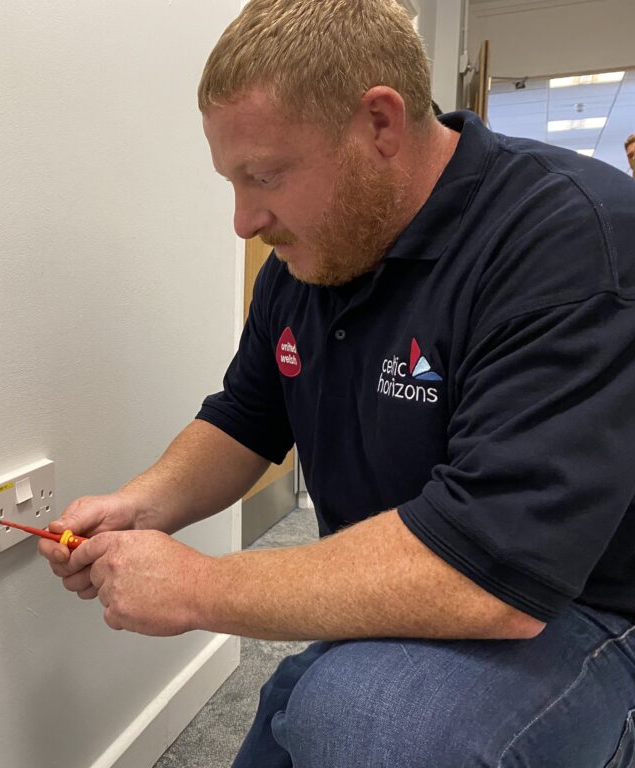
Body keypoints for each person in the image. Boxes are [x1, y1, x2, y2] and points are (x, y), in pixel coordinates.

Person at [40, 1, 635, 765]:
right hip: (407, 581)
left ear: (380, 125)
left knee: (368, 724)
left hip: (578, 608)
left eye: (264, 176)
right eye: (231, 181)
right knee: (320, 709)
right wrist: (140, 505)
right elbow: (247, 417)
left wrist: (196, 586)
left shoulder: (571, 240)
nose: (243, 220)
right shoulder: (314, 258)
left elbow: (493, 569)